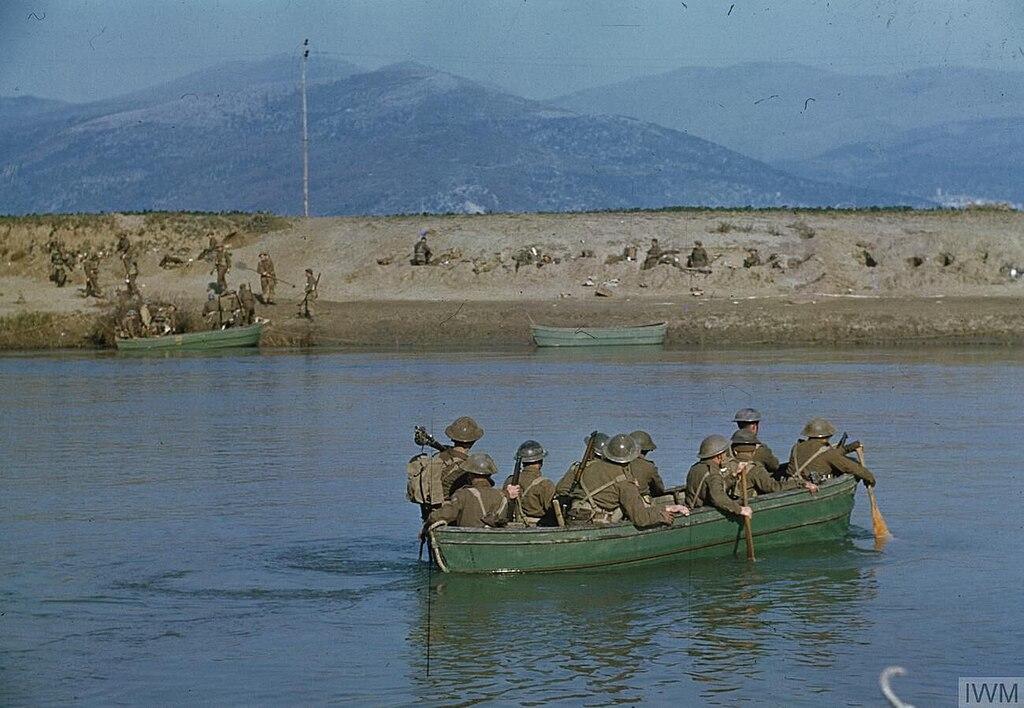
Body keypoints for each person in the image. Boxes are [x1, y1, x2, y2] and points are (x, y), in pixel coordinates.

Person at [567, 433, 689, 528]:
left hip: (573, 516)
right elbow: (640, 518)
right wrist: (662, 511)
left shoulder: (588, 466)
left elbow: (563, 489)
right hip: (595, 521)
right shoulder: (624, 481)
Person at [408, 416, 485, 520]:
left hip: (431, 514)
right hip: (452, 516)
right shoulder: (466, 467)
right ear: (473, 441)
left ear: (452, 438)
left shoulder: (436, 458)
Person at [422, 453, 520, 531]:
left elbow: (445, 514)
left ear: (470, 475)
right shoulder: (502, 495)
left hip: (466, 539)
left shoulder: (461, 494)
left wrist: (428, 521)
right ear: (489, 475)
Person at [726, 429, 817, 499]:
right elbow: (773, 487)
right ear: (754, 452)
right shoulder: (755, 469)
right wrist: (800, 483)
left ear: (734, 451)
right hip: (745, 504)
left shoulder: (726, 465)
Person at [788, 418, 876, 486]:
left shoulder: (796, 447)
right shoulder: (826, 451)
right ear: (828, 435)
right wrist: (870, 478)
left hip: (792, 483)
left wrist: (850, 448)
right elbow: (849, 467)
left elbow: (827, 456)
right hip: (813, 485)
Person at [684, 434, 752, 519]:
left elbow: (718, 487)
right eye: (724, 453)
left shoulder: (695, 467)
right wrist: (740, 509)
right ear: (719, 456)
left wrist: (733, 475)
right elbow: (719, 498)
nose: (725, 456)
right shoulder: (712, 473)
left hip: (691, 508)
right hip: (700, 514)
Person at [503, 440, 557, 526]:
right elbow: (553, 511)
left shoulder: (510, 480)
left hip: (513, 525)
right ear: (541, 462)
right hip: (538, 526)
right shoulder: (545, 484)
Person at [554, 432, 610, 498]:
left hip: (581, 505)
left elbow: (561, 489)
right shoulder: (612, 471)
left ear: (591, 451)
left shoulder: (578, 467)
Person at [732, 408, 781, 475]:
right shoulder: (761, 450)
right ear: (754, 427)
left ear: (738, 425)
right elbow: (775, 466)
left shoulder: (728, 449)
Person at [628, 430, 667, 499]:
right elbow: (659, 489)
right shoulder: (649, 466)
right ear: (647, 450)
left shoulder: (616, 463)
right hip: (639, 502)